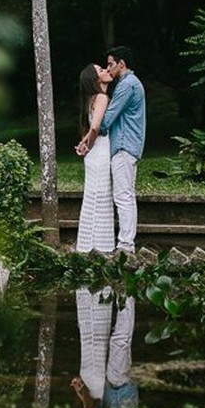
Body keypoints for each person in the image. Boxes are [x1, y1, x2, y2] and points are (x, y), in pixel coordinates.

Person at [77, 45, 146, 256]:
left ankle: (125, 246)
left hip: (124, 146)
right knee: (120, 195)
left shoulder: (127, 85)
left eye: (110, 64)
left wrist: (87, 140)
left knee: (123, 196)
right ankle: (118, 243)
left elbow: (105, 121)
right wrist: (88, 140)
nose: (108, 69)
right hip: (121, 147)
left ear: (121, 64)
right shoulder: (124, 86)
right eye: (104, 67)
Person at [73, 63, 115, 254]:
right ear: (95, 79)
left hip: (94, 152)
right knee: (101, 194)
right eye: (101, 70)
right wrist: (88, 145)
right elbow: (96, 127)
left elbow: (91, 128)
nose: (106, 71)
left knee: (93, 195)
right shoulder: (102, 97)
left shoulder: (92, 98)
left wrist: (83, 143)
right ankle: (99, 245)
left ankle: (88, 243)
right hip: (100, 151)